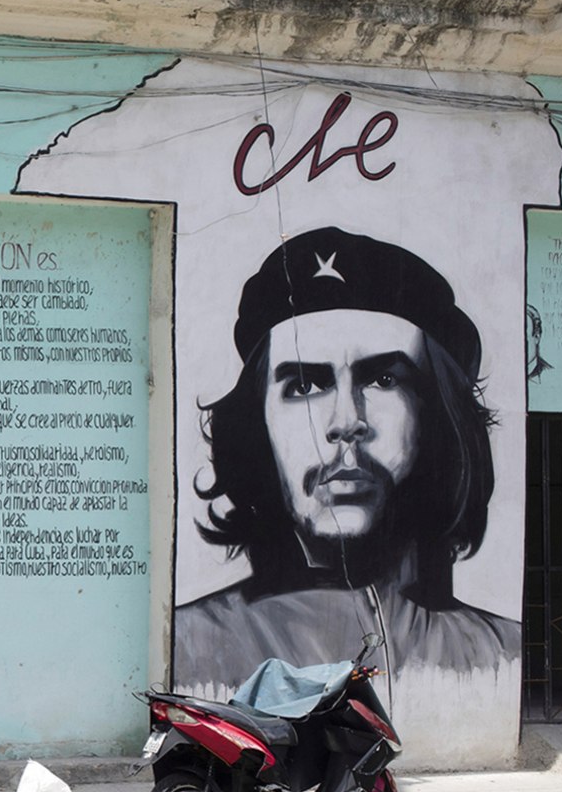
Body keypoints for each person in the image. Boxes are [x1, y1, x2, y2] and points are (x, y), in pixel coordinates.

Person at [174, 227, 519, 686]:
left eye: (383, 380)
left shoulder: (499, 658)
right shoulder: (186, 651)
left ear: (439, 414)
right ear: (257, 426)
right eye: (304, 386)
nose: (346, 421)